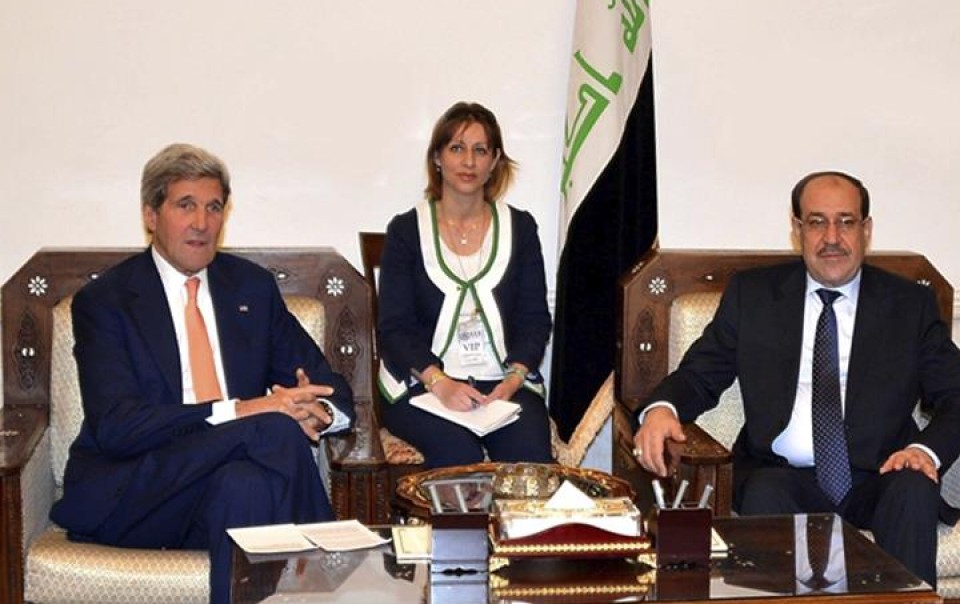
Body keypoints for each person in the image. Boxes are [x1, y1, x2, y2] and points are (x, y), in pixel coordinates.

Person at [50, 143, 354, 604]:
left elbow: (326, 383)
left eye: (214, 207)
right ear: (151, 215)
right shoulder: (107, 302)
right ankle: (339, 581)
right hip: (139, 492)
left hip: (219, 495)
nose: (202, 222)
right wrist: (246, 410)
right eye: (185, 205)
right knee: (270, 428)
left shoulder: (250, 289)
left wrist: (320, 412)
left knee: (246, 483)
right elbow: (118, 428)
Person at [632, 170, 960, 588]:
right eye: (817, 221)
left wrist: (925, 451)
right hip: (782, 475)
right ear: (797, 230)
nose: (832, 237)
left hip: (881, 474)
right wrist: (663, 408)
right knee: (766, 491)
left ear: (866, 230)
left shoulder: (908, 305)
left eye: (846, 221)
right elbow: (701, 374)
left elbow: (956, 393)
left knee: (915, 489)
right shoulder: (754, 296)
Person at [376, 101, 553, 468]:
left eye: (480, 150)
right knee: (456, 455)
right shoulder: (406, 230)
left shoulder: (521, 228)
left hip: (505, 386)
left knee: (530, 461)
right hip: (421, 386)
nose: (468, 162)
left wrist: (514, 379)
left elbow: (535, 317)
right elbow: (394, 327)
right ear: (437, 158)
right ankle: (446, 528)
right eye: (457, 148)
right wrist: (439, 382)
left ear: (495, 161)